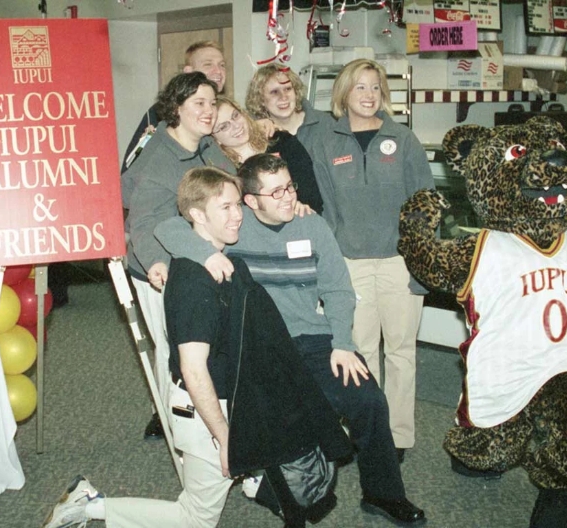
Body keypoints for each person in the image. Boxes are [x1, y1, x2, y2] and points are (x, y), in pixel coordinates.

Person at [43, 167, 350, 528]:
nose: (238, 215)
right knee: (196, 519)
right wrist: (225, 439)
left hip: (229, 398)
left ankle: (255, 480)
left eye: (238, 205)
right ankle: (89, 505)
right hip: (204, 411)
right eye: (226, 208)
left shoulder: (227, 262)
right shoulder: (193, 284)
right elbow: (193, 371)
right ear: (198, 215)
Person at [155, 154, 428, 526]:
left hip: (313, 339)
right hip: (259, 348)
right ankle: (289, 497)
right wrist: (204, 254)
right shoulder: (233, 223)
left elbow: (338, 290)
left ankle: (383, 493)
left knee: (368, 399)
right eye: (276, 191)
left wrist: (344, 344)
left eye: (290, 186)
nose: (288, 197)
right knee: (282, 415)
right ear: (252, 200)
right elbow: (170, 227)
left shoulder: (311, 224)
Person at [309, 59, 435, 462]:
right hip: (351, 263)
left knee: (401, 351)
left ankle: (397, 436)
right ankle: (370, 430)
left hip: (399, 262)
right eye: (360, 87)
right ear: (344, 93)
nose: (368, 95)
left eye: (375, 88)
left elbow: (425, 206)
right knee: (359, 352)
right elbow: (325, 210)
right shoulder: (325, 142)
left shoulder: (403, 139)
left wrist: (420, 264)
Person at [121, 72, 235, 441]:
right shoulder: (158, 154)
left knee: (201, 344)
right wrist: (155, 261)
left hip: (202, 260)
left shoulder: (208, 147)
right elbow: (145, 220)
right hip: (158, 266)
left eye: (212, 102)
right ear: (177, 109)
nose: (208, 111)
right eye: (198, 104)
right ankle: (171, 420)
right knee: (172, 348)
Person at [121, 41, 227, 173]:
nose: (218, 71)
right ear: (188, 71)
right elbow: (133, 165)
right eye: (208, 64)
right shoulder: (161, 111)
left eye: (222, 65)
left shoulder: (229, 108)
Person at [211, 95, 323, 213]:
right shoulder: (223, 169)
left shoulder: (282, 141)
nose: (236, 125)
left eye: (235, 116)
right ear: (214, 138)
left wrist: (302, 207)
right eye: (224, 126)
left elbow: (312, 196)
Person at [245, 63, 335, 156]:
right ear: (261, 99)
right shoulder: (256, 133)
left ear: (295, 91)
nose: (283, 97)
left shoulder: (325, 123)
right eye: (274, 92)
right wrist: (253, 130)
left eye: (288, 89)